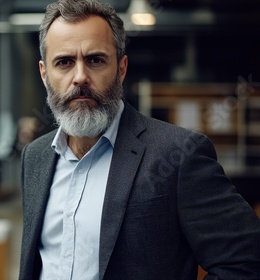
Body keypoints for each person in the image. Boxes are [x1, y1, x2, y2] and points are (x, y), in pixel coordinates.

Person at [19, 0, 260, 279]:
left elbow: (246, 261)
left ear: (121, 69)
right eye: (64, 62)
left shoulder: (179, 155)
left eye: (95, 60)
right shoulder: (34, 157)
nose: (80, 77)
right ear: (44, 73)